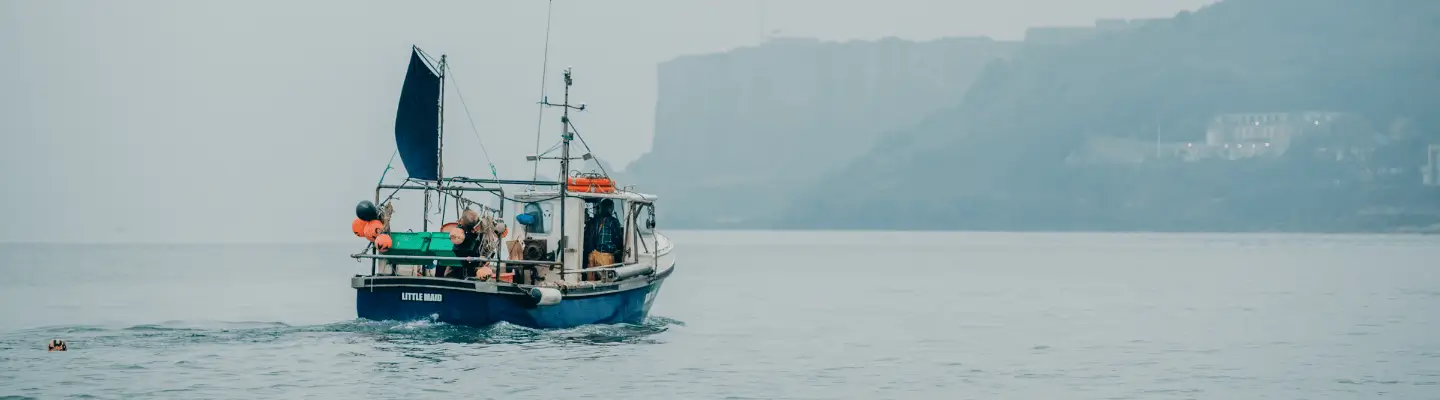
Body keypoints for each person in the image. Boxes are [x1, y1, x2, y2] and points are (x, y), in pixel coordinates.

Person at [583, 199, 623, 280]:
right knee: (607, 281)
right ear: (610, 208)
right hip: (605, 256)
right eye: (612, 208)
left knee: (591, 281)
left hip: (592, 255)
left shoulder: (595, 220)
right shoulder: (613, 221)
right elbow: (618, 238)